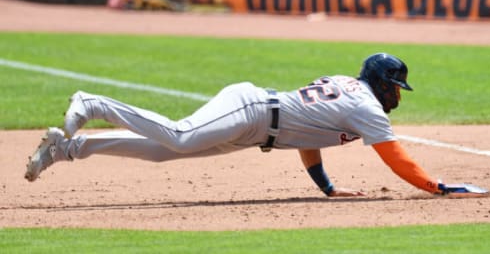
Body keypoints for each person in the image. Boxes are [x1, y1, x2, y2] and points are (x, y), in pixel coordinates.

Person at [25, 53, 451, 197]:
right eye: (395, 86)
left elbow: (309, 133)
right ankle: (93, 101)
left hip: (258, 128)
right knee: (179, 135)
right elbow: (397, 160)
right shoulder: (368, 108)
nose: (397, 94)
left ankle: (66, 149)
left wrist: (326, 186)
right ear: (380, 83)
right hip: (252, 109)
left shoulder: (350, 91)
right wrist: (435, 186)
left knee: (162, 151)